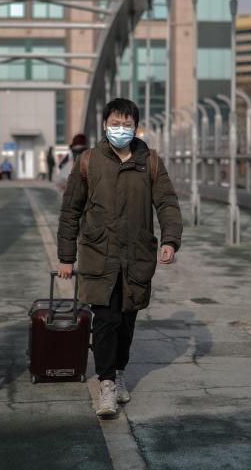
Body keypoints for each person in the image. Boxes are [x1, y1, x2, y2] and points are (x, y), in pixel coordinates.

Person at [56, 98, 182, 419]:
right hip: (99, 255)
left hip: (136, 256)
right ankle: (107, 382)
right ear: (104, 125)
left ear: (136, 127)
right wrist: (66, 257)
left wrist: (170, 240)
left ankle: (119, 368)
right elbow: (71, 210)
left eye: (127, 124)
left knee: (127, 318)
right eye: (115, 123)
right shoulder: (89, 161)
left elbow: (166, 202)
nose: (121, 129)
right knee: (106, 320)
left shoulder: (149, 161)